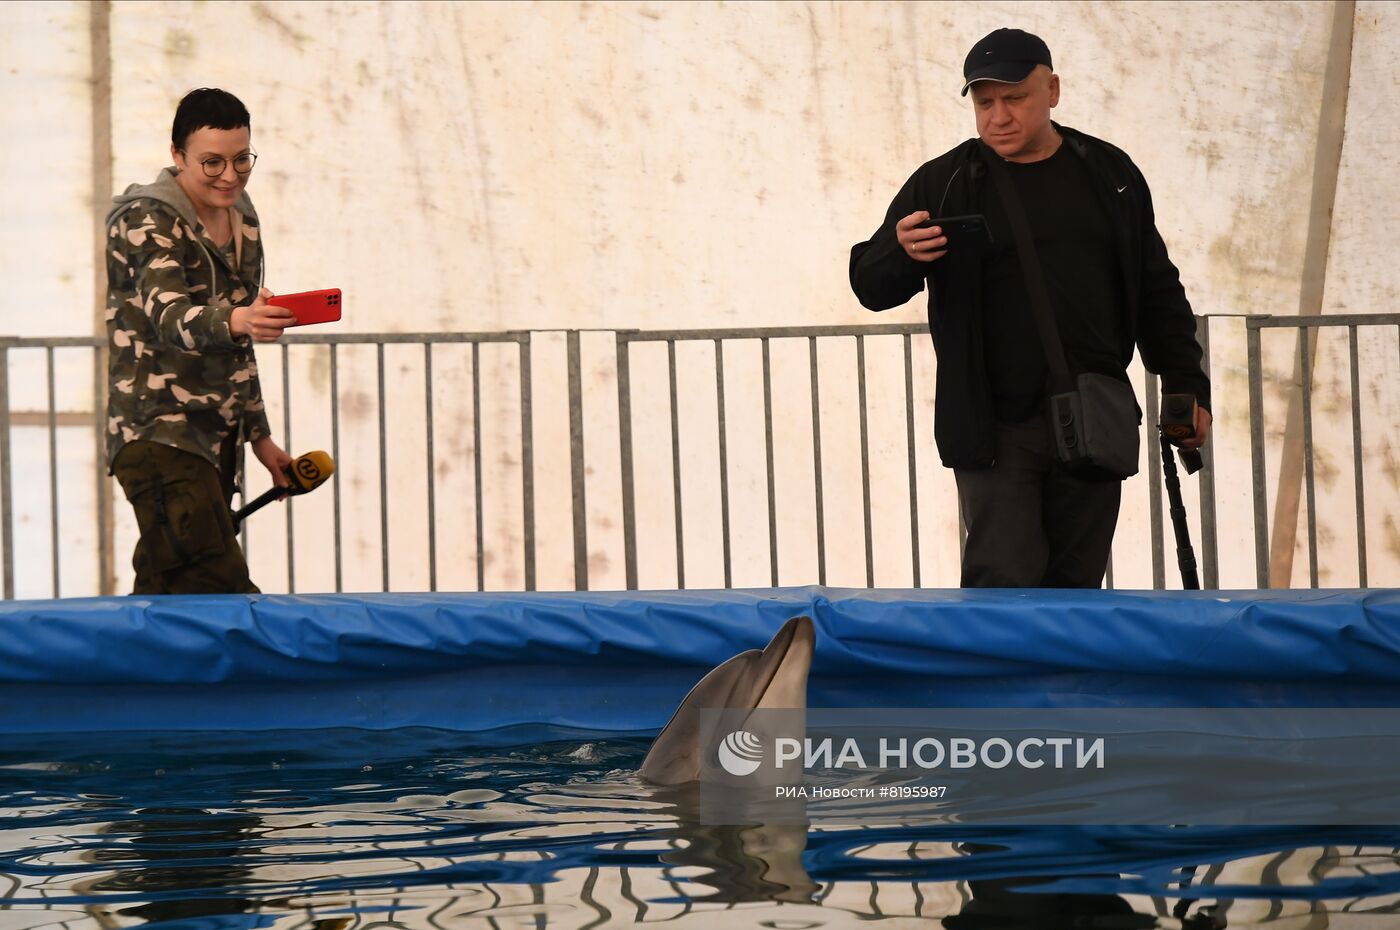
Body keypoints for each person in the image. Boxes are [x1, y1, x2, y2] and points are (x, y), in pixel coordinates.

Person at [849, 28, 1211, 589]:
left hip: (1092, 418)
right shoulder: (944, 182)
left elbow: (1156, 289)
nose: (998, 116)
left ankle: (1068, 682)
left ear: (1053, 91)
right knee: (1002, 591)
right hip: (992, 428)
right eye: (984, 101)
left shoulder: (1109, 174)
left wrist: (1189, 387)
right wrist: (899, 253)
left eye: (1015, 98)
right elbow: (871, 286)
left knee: (1078, 594)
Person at [105, 88, 296, 594]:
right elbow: (169, 314)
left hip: (217, 441)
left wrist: (259, 436)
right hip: (160, 435)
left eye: (241, 160)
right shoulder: (145, 219)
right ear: (177, 156)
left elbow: (239, 334)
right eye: (212, 163)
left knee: (167, 591)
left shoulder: (243, 217)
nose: (230, 176)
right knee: (219, 591)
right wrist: (239, 320)